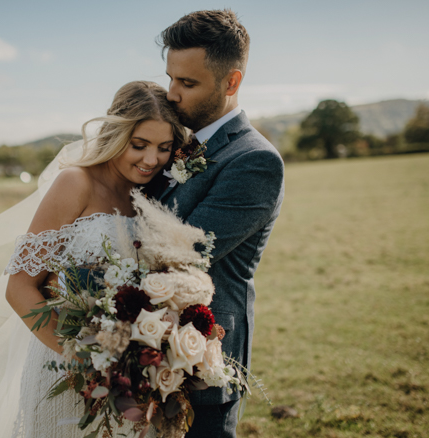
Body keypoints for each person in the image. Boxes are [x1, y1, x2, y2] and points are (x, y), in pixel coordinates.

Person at [0, 81, 186, 438]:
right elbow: (19, 287)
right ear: (116, 134)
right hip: (66, 368)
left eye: (164, 147)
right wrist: (85, 362)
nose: (151, 160)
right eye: (139, 145)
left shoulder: (151, 192)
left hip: (130, 374)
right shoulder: (75, 183)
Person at [152, 10, 285, 438]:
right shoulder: (170, 140)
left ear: (231, 82)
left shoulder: (254, 161)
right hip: (143, 349)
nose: (171, 94)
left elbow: (181, 256)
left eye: (187, 84)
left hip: (204, 362)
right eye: (170, 78)